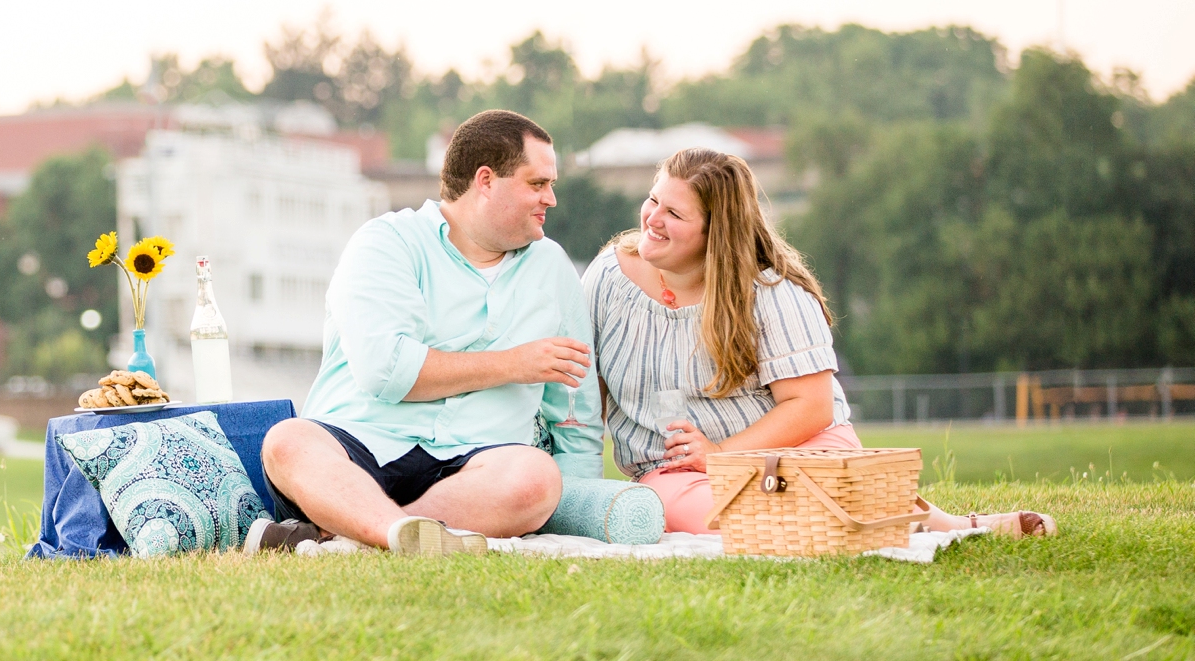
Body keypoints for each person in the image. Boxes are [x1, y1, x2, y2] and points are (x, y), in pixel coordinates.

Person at [588, 147, 1054, 538]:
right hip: (678, 473)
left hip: (797, 446)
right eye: (653, 200)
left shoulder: (771, 292)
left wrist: (724, 454)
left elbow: (810, 407)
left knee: (821, 495)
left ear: (717, 233)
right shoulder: (610, 275)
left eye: (674, 213)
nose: (653, 219)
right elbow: (585, 384)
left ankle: (946, 525)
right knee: (737, 518)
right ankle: (910, 520)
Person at [250, 109, 603, 556]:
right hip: (358, 446)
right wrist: (515, 364)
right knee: (288, 441)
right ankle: (397, 533)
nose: (551, 198)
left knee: (537, 478)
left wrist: (582, 509)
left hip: (475, 468)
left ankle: (355, 536)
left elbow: (576, 414)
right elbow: (387, 370)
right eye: (538, 184)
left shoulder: (554, 269)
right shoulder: (386, 243)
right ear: (486, 181)